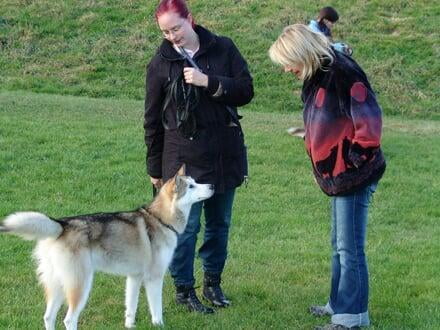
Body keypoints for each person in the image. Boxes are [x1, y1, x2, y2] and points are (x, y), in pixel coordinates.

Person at [269, 24, 386, 329]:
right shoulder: (317, 73)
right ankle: (337, 303)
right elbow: (331, 116)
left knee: (350, 248)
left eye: (288, 63)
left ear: (302, 54)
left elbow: (370, 121)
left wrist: (353, 159)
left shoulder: (342, 72)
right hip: (337, 177)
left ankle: (352, 317)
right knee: (339, 244)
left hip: (353, 176)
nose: (286, 70)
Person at [144, 0, 253, 314]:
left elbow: (246, 90)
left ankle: (213, 283)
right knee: (185, 228)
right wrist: (155, 167)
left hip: (224, 152)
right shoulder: (160, 64)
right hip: (182, 160)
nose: (172, 36)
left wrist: (210, 82)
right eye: (165, 32)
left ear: (190, 19)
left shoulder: (223, 48)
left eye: (176, 27)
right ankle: (183, 290)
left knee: (220, 223)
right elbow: (151, 120)